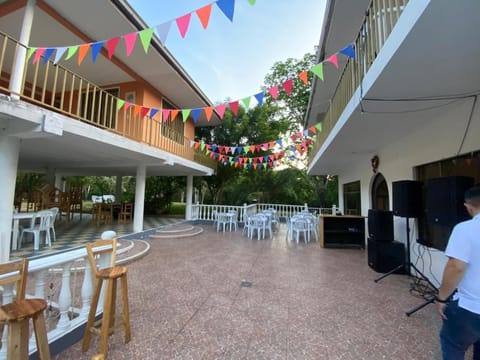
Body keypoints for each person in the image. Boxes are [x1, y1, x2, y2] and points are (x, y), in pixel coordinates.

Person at [436, 186, 480, 359]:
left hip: (470, 308)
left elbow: (457, 267)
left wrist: (442, 297)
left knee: (452, 344)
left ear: (468, 206)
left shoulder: (465, 229)